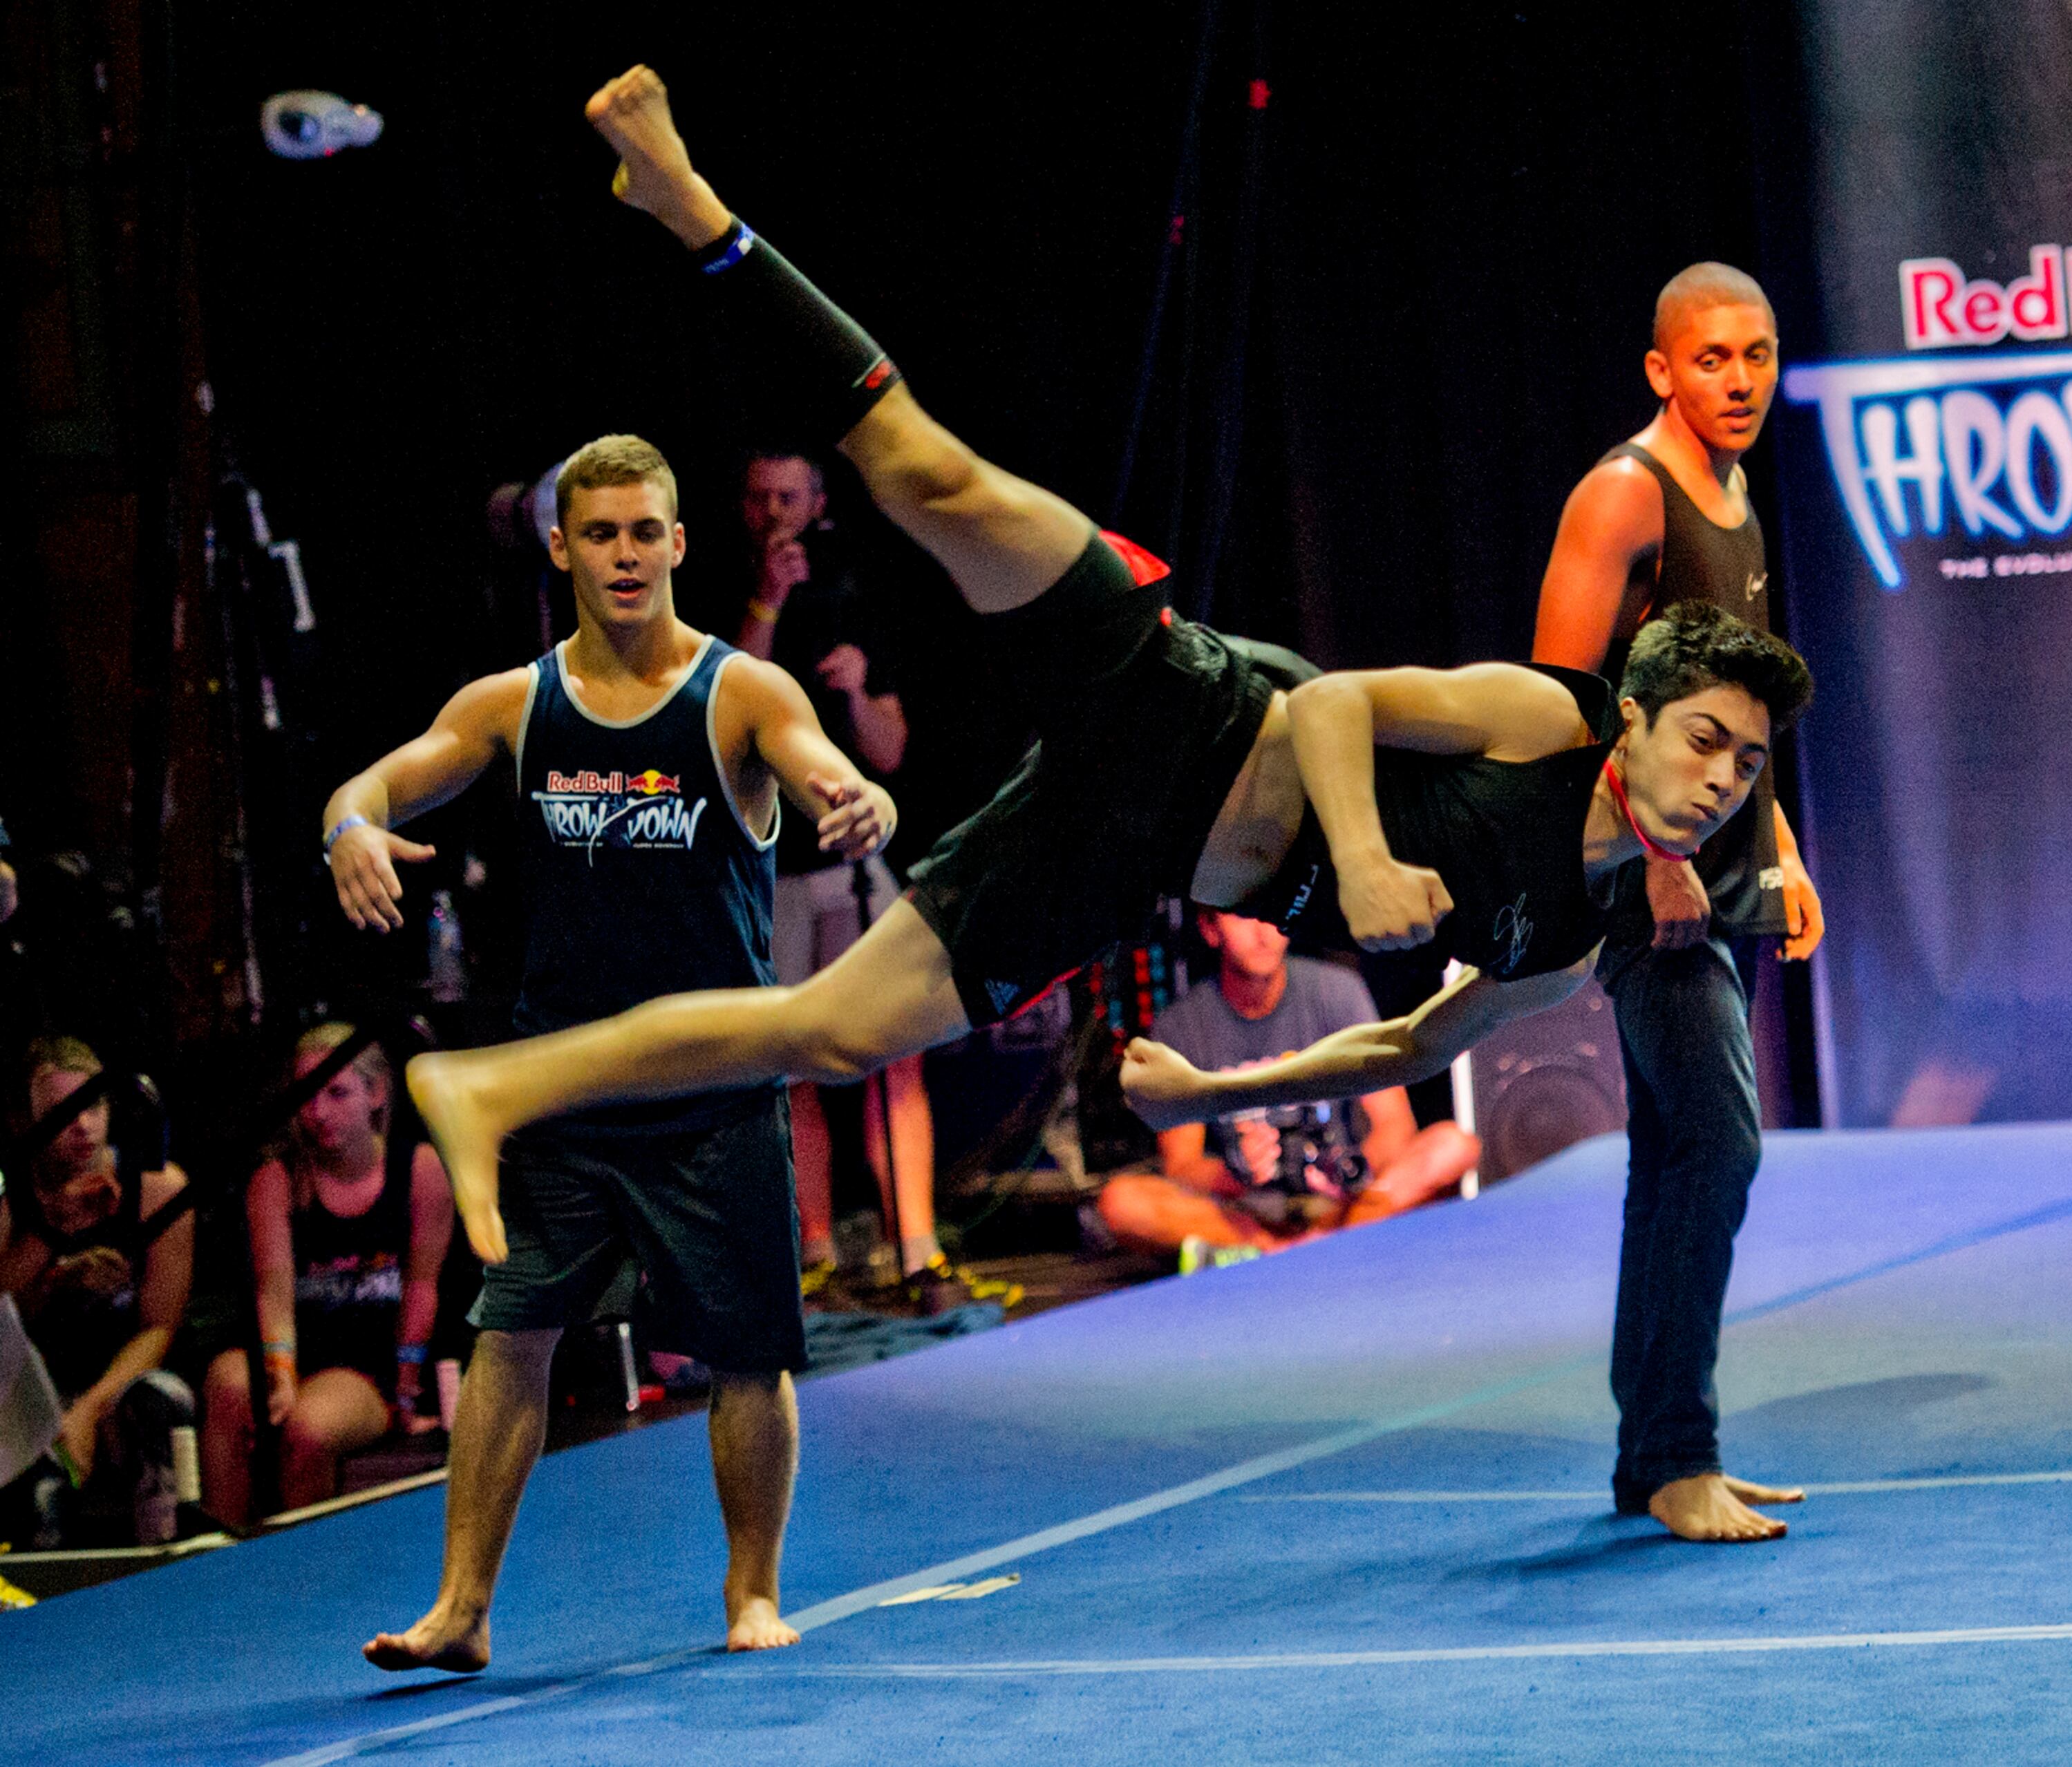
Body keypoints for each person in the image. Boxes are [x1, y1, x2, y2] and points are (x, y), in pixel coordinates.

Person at [399, 70, 1813, 1309]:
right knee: (919, 469)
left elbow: (1398, 1041)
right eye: (1705, 741)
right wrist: (1369, 855)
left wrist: (1217, 1093)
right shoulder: (1550, 721)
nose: (1718, 782)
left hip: (1121, 854)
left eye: (1746, 770)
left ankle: (495, 1086)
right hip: (1169, 692)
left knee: (822, 1030)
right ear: (1634, 718)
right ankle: (690, 204)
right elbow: (1331, 705)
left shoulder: (1560, 946)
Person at [324, 431, 897, 1668]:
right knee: (510, 1330)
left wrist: (862, 802)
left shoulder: (743, 691)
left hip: (714, 1086)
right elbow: (370, 786)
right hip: (567, 1088)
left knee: (747, 1351)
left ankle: (752, 1592)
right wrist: (349, 831)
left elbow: (835, 776)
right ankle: (463, 1608)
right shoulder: (513, 705)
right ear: (562, 548)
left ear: (680, 543)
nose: (626, 555)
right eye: (602, 534)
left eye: (647, 532)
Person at [1532, 263, 1829, 1542]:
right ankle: (1676, 1450)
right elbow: (1554, 706)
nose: (1742, 379)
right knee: (1720, 1143)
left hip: (1722, 870)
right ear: (1662, 368)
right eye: (1713, 358)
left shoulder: (1737, 490)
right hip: (1651, 883)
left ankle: (1649, 1455)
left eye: (1758, 355)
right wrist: (1652, 852)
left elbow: (1737, 714)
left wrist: (1785, 847)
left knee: (1673, 1158)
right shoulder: (1623, 495)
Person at [728, 448, 975, 1305]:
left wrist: (861, 688)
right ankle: (817, 1250)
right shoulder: (727, 596)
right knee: (793, 1059)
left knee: (890, 1055)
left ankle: (915, 1245)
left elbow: (890, 751)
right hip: (773, 869)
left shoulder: (856, 595)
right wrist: (767, 597)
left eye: (788, 496)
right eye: (760, 497)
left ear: (818, 500)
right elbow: (726, 725)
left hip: (851, 865)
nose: (774, 512)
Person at [1097, 913, 1480, 1257]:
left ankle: (1312, 1247)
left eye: (1273, 914)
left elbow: (1394, 1124)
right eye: (1243, 917)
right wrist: (1236, 1172)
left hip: (1338, 1206)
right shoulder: (1182, 1024)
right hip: (1244, 1214)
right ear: (1210, 930)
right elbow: (1182, 1165)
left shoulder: (1337, 991)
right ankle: (1285, 1250)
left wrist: (1355, 1171)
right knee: (1122, 1202)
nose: (1264, 933)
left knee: (1452, 1145)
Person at [198, 1024, 454, 1529]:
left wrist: (406, 1392)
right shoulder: (277, 1178)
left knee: (308, 1428)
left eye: (336, 1093)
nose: (316, 1112)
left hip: (365, 1369)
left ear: (376, 1093)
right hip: (289, 1349)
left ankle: (303, 1570)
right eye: (306, 1095)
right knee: (225, 1383)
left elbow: (423, 1286)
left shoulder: (420, 1170)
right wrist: (281, 1375)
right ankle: (221, 1553)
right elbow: (273, 1289)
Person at [0, 1037, 196, 1547]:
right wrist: (53, 1240)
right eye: (62, 1111)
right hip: (32, 1391)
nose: (81, 1125)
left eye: (93, 1105)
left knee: (159, 1402)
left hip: (123, 1382)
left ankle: (169, 1565)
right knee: (40, 1462)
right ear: (25, 1120)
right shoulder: (9, 1199)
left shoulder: (157, 1188)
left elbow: (160, 1326)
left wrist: (88, 1410)